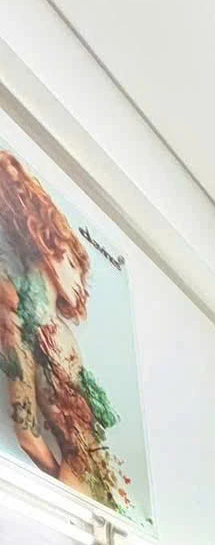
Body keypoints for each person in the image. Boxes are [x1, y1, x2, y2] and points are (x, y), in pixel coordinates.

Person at [0, 150, 134, 513]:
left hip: (100, 482)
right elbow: (28, 436)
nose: (80, 282)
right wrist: (66, 486)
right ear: (49, 244)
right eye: (74, 262)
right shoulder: (20, 328)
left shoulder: (55, 328)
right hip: (82, 486)